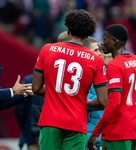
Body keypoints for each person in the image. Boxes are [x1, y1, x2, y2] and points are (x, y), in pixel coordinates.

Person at [32, 9, 108, 150]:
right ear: (87, 34)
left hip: (50, 121)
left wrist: (59, 94)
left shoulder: (47, 49)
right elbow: (103, 101)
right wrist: (82, 99)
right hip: (77, 124)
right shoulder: (95, 59)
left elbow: (35, 88)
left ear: (68, 29)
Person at [15, 30, 69, 150]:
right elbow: (20, 108)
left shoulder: (31, 79)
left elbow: (19, 108)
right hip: (39, 134)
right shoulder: (69, 81)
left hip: (39, 132)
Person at [88, 24, 136, 150]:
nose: (102, 43)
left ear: (114, 42)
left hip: (118, 132)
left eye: (104, 39)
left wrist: (95, 134)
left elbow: (113, 104)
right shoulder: (135, 60)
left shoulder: (114, 65)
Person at [83, 37, 104, 150]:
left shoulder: (100, 72)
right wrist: (106, 99)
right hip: (88, 136)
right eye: (95, 50)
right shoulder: (81, 74)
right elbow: (82, 97)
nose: (100, 53)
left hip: (100, 134)